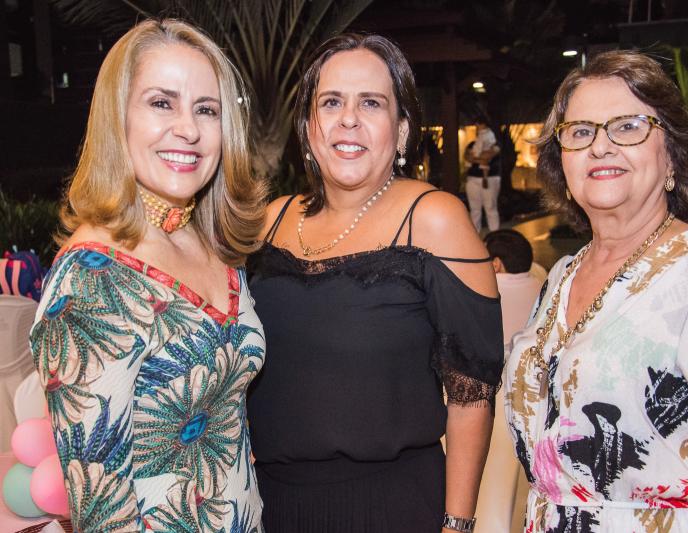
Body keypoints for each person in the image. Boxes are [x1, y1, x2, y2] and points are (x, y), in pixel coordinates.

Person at [504, 50, 688, 533]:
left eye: (628, 127)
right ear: (563, 164)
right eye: (580, 132)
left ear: (672, 158)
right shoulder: (559, 277)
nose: (601, 146)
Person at [247, 33, 503, 533]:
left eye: (371, 103)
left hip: (391, 507)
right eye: (331, 102)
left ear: (402, 130)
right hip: (270, 505)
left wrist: (457, 525)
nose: (349, 119)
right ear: (308, 127)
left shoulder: (433, 219)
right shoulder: (269, 222)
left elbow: (471, 397)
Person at [29, 19, 267, 531]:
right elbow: (102, 514)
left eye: (207, 109)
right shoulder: (91, 281)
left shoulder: (213, 243)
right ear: (117, 119)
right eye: (162, 103)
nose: (189, 129)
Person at [475, 229, 545, 533]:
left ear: (496, 263)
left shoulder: (485, 291)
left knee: (491, 479)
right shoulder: (542, 286)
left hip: (490, 395)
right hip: (531, 397)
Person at [464, 119, 501, 232]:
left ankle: (495, 234)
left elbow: (487, 157)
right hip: (473, 178)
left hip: (490, 179)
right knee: (474, 209)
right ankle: (475, 235)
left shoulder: (495, 145)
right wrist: (480, 159)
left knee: (490, 207)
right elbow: (467, 157)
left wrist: (476, 158)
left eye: (479, 126)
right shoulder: (472, 144)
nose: (478, 129)